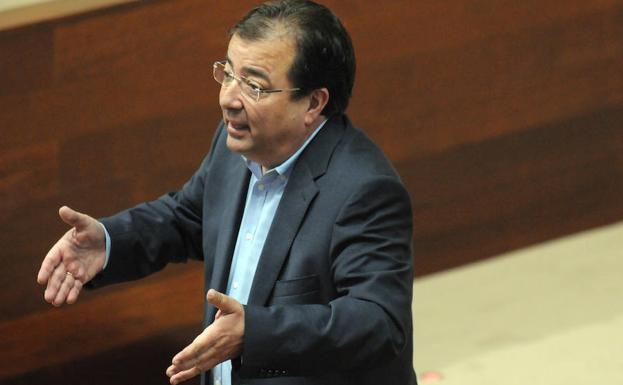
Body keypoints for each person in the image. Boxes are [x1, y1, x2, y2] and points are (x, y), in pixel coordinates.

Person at [36, 1, 416, 384]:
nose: (228, 99)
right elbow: (189, 217)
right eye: (228, 73)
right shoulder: (237, 145)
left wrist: (255, 332)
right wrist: (109, 241)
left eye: (253, 85)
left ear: (314, 103)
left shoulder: (364, 189)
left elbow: (379, 322)